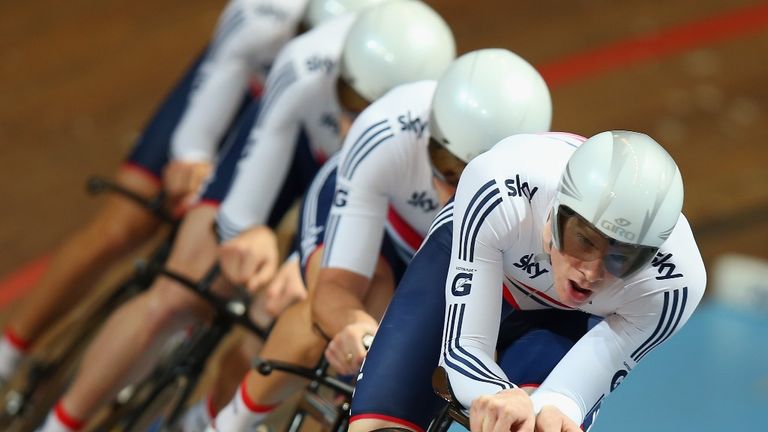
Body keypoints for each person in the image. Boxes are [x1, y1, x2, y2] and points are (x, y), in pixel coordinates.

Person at [35, 1, 454, 431]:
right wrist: (242, 233)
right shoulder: (306, 62)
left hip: (369, 193)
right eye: (347, 99)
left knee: (286, 318)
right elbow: (245, 199)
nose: (352, 125)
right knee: (180, 291)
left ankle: (207, 417)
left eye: (370, 112)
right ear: (340, 69)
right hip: (295, 148)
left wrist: (300, 267)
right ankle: (60, 422)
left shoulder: (419, 141)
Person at [207, 48, 552, 431]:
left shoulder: (535, 197)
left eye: (475, 178)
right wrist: (354, 325)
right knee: (335, 317)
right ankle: (227, 424)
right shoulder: (386, 133)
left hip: (442, 259)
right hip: (380, 229)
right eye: (447, 167)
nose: (457, 195)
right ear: (429, 133)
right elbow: (335, 288)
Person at [0, 0, 309, 384]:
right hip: (237, 85)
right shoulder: (272, 11)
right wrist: (191, 156)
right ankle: (8, 353)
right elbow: (221, 69)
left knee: (207, 285)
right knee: (124, 225)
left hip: (299, 127)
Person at [349, 130, 706, 432]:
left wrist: (552, 408)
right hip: (481, 265)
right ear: (553, 214)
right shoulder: (500, 185)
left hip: (564, 319)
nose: (592, 273)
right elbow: (464, 349)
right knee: (378, 425)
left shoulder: (674, 283)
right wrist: (494, 389)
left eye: (622, 256)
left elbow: (569, 396)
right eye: (584, 240)